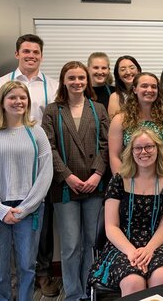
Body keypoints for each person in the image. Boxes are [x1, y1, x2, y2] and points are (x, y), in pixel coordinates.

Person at [0, 33, 59, 296]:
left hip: (39, 161)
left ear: (41, 55)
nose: (31, 56)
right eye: (26, 51)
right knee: (3, 256)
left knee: (42, 230)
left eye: (36, 52)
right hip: (5, 166)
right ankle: (10, 285)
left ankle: (43, 276)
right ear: (17, 54)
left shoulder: (53, 85)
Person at [0, 81, 53, 300]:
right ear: (2, 102)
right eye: (12, 97)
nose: (18, 102)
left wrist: (25, 208)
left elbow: (45, 175)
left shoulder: (37, 132)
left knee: (27, 268)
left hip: (29, 211)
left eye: (22, 98)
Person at [41, 61, 109, 301]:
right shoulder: (52, 110)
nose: (77, 82)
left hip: (94, 185)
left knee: (92, 242)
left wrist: (97, 174)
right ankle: (73, 294)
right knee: (70, 246)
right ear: (64, 81)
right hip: (64, 187)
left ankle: (91, 290)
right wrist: (67, 176)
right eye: (72, 78)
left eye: (81, 78)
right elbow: (48, 147)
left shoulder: (98, 108)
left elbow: (106, 144)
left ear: (87, 81)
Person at [89, 127, 163, 296]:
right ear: (131, 152)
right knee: (133, 281)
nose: (143, 152)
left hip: (157, 243)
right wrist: (132, 252)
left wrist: (149, 249)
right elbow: (111, 226)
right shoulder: (118, 180)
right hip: (122, 245)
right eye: (138, 148)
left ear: (158, 149)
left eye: (149, 147)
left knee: (162, 277)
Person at [108, 72, 163, 179]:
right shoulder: (120, 120)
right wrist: (122, 184)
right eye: (144, 86)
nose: (150, 90)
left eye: (154, 87)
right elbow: (114, 156)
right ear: (134, 90)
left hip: (161, 179)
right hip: (130, 179)